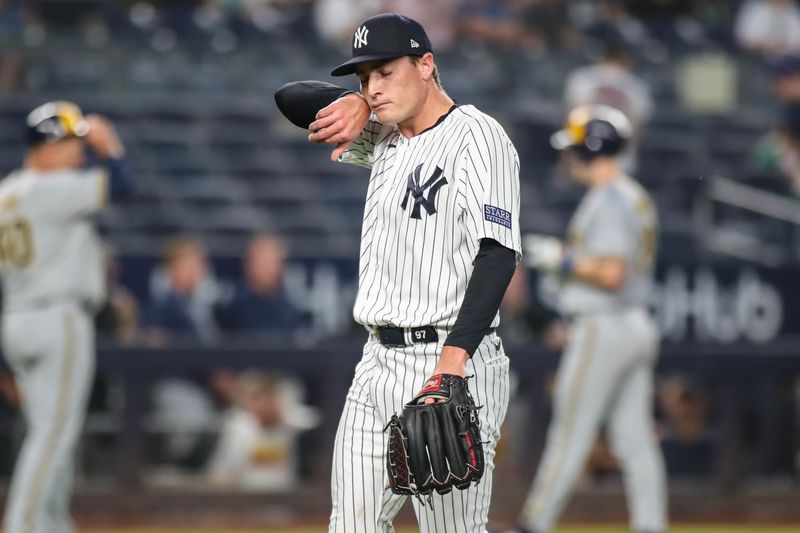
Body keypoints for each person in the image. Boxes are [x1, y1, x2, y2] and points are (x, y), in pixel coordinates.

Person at [274, 12, 521, 532]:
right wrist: (359, 101)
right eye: (365, 78)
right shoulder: (384, 136)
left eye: (386, 72)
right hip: (377, 362)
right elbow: (291, 99)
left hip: (452, 362)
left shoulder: (478, 136)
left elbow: (497, 256)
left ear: (426, 64)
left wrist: (451, 367)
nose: (375, 88)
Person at [500, 105, 667, 533]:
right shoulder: (633, 194)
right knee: (634, 441)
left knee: (569, 432)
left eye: (574, 148)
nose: (568, 156)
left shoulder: (609, 197)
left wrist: (562, 259)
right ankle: (651, 525)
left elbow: (612, 273)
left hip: (604, 325)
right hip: (633, 324)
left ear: (589, 149)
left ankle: (533, 525)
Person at [0, 100, 133, 533]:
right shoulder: (50, 189)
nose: (78, 152)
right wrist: (108, 144)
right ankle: (25, 523)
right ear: (46, 146)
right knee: (53, 436)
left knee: (46, 432)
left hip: (18, 318)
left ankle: (52, 523)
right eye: (69, 143)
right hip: (57, 318)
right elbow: (121, 183)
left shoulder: (7, 192)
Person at [206, 370, 319, 491]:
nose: (263, 406)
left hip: (291, 497)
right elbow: (220, 475)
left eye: (267, 398)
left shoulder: (297, 422)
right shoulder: (237, 427)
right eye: (255, 399)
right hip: (246, 498)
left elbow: (314, 421)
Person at [215, 233, 303, 337]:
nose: (268, 269)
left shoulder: (290, 311)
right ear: (248, 265)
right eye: (263, 263)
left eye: (272, 262)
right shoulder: (231, 311)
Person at [145, 235, 218, 345]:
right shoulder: (162, 305)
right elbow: (156, 343)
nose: (200, 268)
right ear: (174, 266)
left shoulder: (201, 305)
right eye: (192, 262)